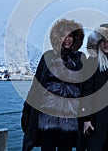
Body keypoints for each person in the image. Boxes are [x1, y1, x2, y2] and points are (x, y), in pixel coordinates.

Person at [21, 18, 86, 151]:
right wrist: (26, 110)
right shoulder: (48, 56)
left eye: (70, 36)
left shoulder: (80, 58)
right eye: (63, 35)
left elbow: (85, 89)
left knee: (66, 148)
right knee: (47, 147)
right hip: (47, 116)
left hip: (70, 117)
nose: (67, 39)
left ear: (75, 39)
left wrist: (87, 117)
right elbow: (36, 86)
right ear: (58, 38)